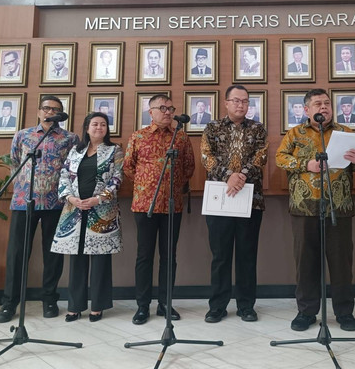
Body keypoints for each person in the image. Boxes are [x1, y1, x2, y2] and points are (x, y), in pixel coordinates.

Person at [275, 88, 355, 332]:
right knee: (306, 263)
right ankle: (306, 312)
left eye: (327, 103)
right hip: (304, 208)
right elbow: (280, 158)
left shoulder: (345, 133)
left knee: (341, 264)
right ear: (307, 110)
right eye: (317, 104)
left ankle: (344, 312)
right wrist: (307, 164)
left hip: (339, 207)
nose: (323, 107)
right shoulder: (295, 133)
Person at [0, 95, 80, 323]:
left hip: (56, 203)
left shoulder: (70, 138)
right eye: (46, 108)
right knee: (17, 254)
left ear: (61, 113)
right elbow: (14, 162)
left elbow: (73, 168)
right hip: (24, 202)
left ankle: (49, 299)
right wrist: (23, 187)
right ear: (39, 111)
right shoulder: (23, 135)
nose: (50, 112)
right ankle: (9, 303)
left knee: (52, 255)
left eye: (56, 109)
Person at [124, 94, 195, 325]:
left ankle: (165, 303)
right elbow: (129, 167)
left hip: (173, 205)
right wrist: (147, 183)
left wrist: (170, 186)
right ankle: (142, 306)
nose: (167, 112)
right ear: (151, 111)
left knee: (169, 256)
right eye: (162, 108)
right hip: (144, 204)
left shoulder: (181, 137)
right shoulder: (139, 136)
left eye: (170, 108)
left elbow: (188, 167)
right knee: (144, 256)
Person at [200, 85, 268, 323]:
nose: (241, 105)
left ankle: (246, 306)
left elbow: (261, 156)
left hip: (251, 199)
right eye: (236, 101)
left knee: (247, 255)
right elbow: (207, 156)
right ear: (226, 103)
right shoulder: (212, 128)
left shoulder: (258, 129)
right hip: (219, 199)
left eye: (246, 101)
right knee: (220, 255)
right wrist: (229, 175)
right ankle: (217, 306)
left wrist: (241, 176)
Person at [51, 112, 123, 322]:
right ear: (86, 127)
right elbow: (64, 175)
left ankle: (97, 307)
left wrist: (98, 199)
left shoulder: (114, 150)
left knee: (100, 261)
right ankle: (75, 306)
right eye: (95, 124)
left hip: (101, 212)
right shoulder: (76, 150)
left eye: (103, 124)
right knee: (77, 259)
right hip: (74, 211)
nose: (99, 127)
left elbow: (118, 178)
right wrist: (70, 198)